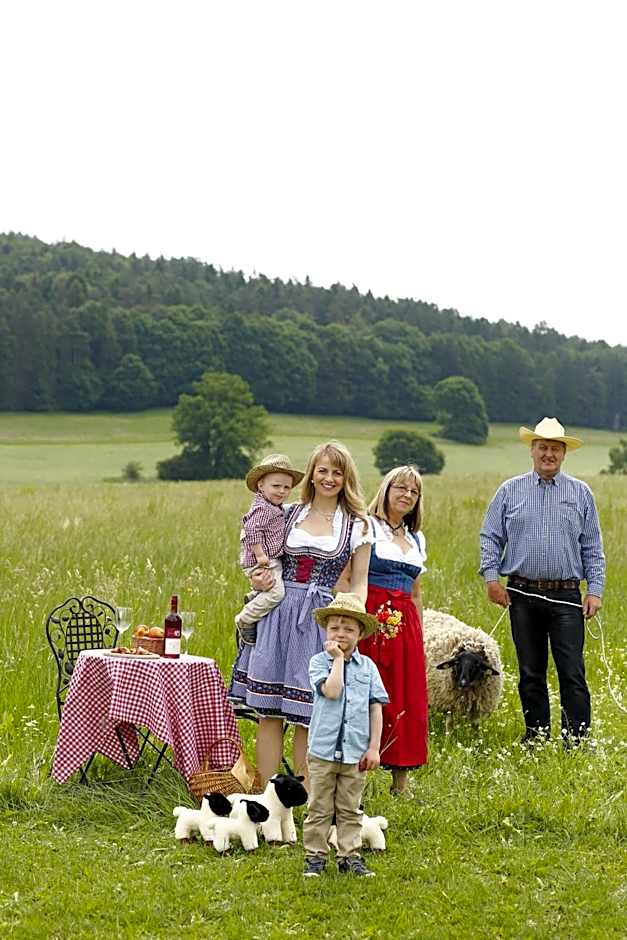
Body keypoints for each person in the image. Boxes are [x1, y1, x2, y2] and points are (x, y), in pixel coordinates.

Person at [229, 441, 373, 786]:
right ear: (311, 474)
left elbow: (360, 583)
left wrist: (347, 626)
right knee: (269, 713)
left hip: (321, 621)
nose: (328, 478)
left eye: (336, 472)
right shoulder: (289, 513)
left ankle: (306, 796)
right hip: (277, 616)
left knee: (309, 714)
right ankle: (265, 795)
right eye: (322, 470)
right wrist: (258, 575)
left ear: (346, 477)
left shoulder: (357, 525)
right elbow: (259, 553)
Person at [479, 417, 605, 744]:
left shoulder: (580, 493)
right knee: (530, 672)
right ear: (532, 451)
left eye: (555, 449)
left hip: (566, 595)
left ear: (564, 454)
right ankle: (535, 737)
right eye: (542, 447)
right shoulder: (510, 490)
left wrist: (595, 591)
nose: (548, 454)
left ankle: (575, 739)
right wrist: (492, 578)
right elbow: (491, 536)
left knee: (572, 672)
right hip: (521, 592)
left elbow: (593, 546)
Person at [302, 593, 389, 878]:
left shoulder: (369, 669)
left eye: (349, 629)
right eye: (335, 628)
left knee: (350, 808)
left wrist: (374, 748)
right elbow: (332, 691)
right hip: (323, 751)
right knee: (319, 807)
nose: (341, 633)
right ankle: (315, 857)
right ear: (326, 630)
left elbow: (376, 709)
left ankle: (348, 855)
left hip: (355, 751)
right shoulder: (318, 662)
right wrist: (337, 660)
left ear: (360, 634)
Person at [357, 465, 429, 794]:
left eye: (413, 492)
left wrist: (420, 628)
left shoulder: (415, 538)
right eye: (400, 488)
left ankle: (401, 780)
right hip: (372, 613)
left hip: (406, 623)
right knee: (370, 691)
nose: (406, 495)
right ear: (386, 489)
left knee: (406, 695)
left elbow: (415, 591)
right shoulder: (367, 526)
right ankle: (355, 774)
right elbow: (352, 576)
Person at [235, 454, 304, 646]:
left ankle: (255, 596)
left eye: (286, 487)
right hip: (264, 560)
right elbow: (251, 529)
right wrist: (260, 555)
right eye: (276, 486)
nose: (282, 491)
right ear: (261, 485)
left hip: (270, 558)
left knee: (273, 588)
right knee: (276, 594)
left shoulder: (274, 506)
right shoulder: (262, 508)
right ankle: (245, 618)